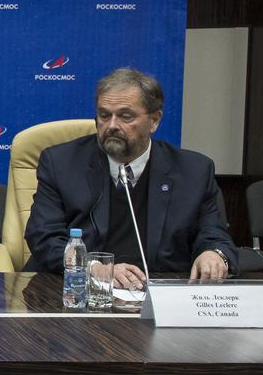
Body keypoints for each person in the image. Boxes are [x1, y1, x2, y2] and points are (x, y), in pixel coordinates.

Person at [25, 67, 238, 286]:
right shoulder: (61, 163)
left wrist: (214, 255)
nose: (112, 126)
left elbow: (214, 235)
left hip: (159, 290)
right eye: (104, 115)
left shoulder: (194, 171)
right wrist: (94, 267)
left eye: (125, 116)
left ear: (154, 120)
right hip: (74, 291)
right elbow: (44, 237)